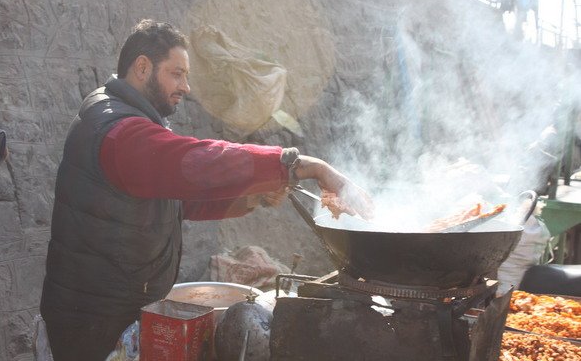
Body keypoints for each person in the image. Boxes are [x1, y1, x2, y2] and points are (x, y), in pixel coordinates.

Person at [40, 19, 374, 361]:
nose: (186, 86)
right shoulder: (117, 131)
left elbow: (179, 202)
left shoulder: (129, 121)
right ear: (142, 67)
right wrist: (299, 165)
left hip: (110, 309)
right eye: (176, 73)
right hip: (94, 320)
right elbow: (197, 163)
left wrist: (253, 196)